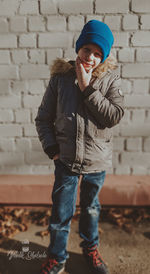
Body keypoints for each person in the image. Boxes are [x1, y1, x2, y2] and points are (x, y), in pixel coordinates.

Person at [35, 20, 124, 274]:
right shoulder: (61, 79)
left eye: (98, 54)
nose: (91, 58)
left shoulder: (109, 81)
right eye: (88, 50)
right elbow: (43, 118)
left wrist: (87, 89)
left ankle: (90, 249)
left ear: (104, 57)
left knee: (91, 208)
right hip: (66, 161)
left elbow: (113, 116)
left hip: (97, 162)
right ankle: (57, 257)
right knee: (61, 212)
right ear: (79, 48)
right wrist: (52, 148)